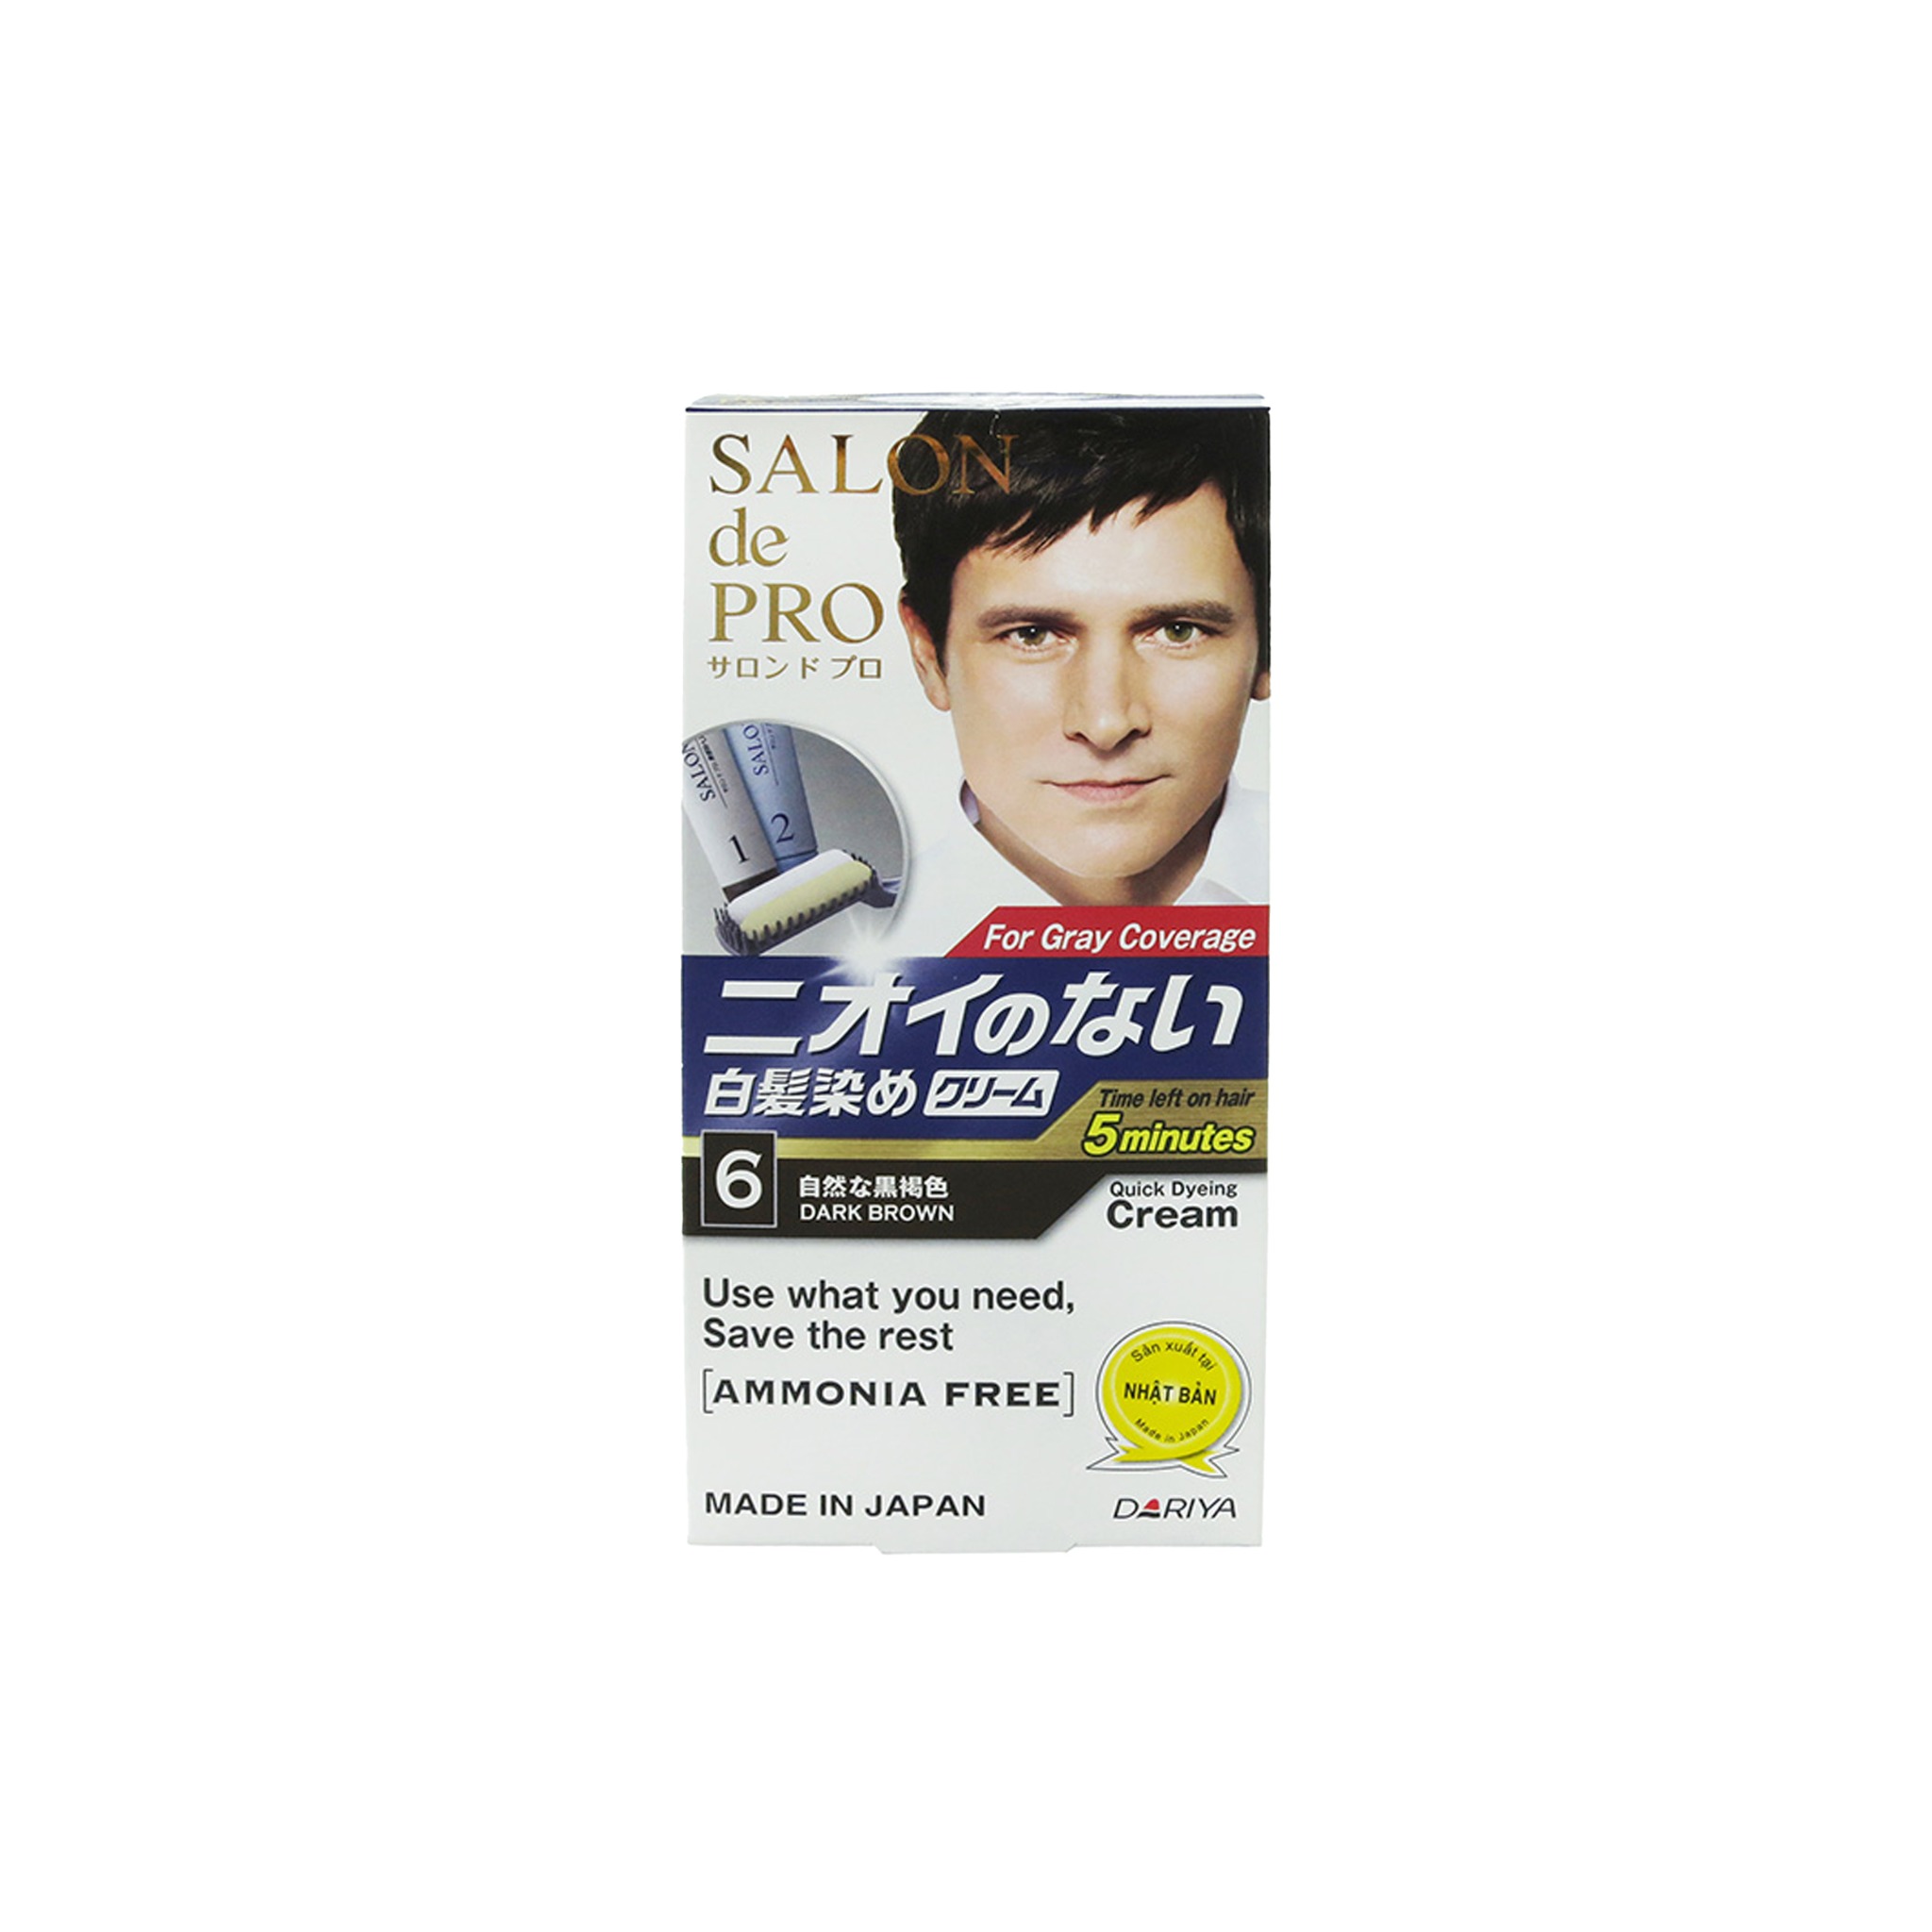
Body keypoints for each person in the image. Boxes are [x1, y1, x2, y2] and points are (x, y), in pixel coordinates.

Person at [889, 407, 1268, 951]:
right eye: (1032, 635)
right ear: (928, 654)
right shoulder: (843, 954)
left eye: (1178, 631)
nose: (1105, 723)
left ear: (1270, 649)